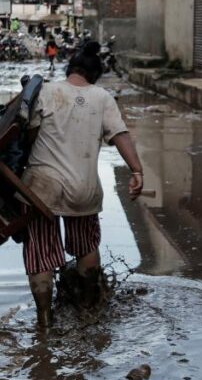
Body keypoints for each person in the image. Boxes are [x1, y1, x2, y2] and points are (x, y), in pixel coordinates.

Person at [22, 41, 144, 327]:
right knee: (86, 245)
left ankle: (44, 320)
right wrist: (137, 170)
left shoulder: (47, 91)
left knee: (40, 252)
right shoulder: (102, 97)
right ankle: (89, 310)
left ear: (70, 69)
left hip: (41, 186)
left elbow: (25, 135)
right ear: (94, 75)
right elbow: (120, 135)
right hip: (83, 189)